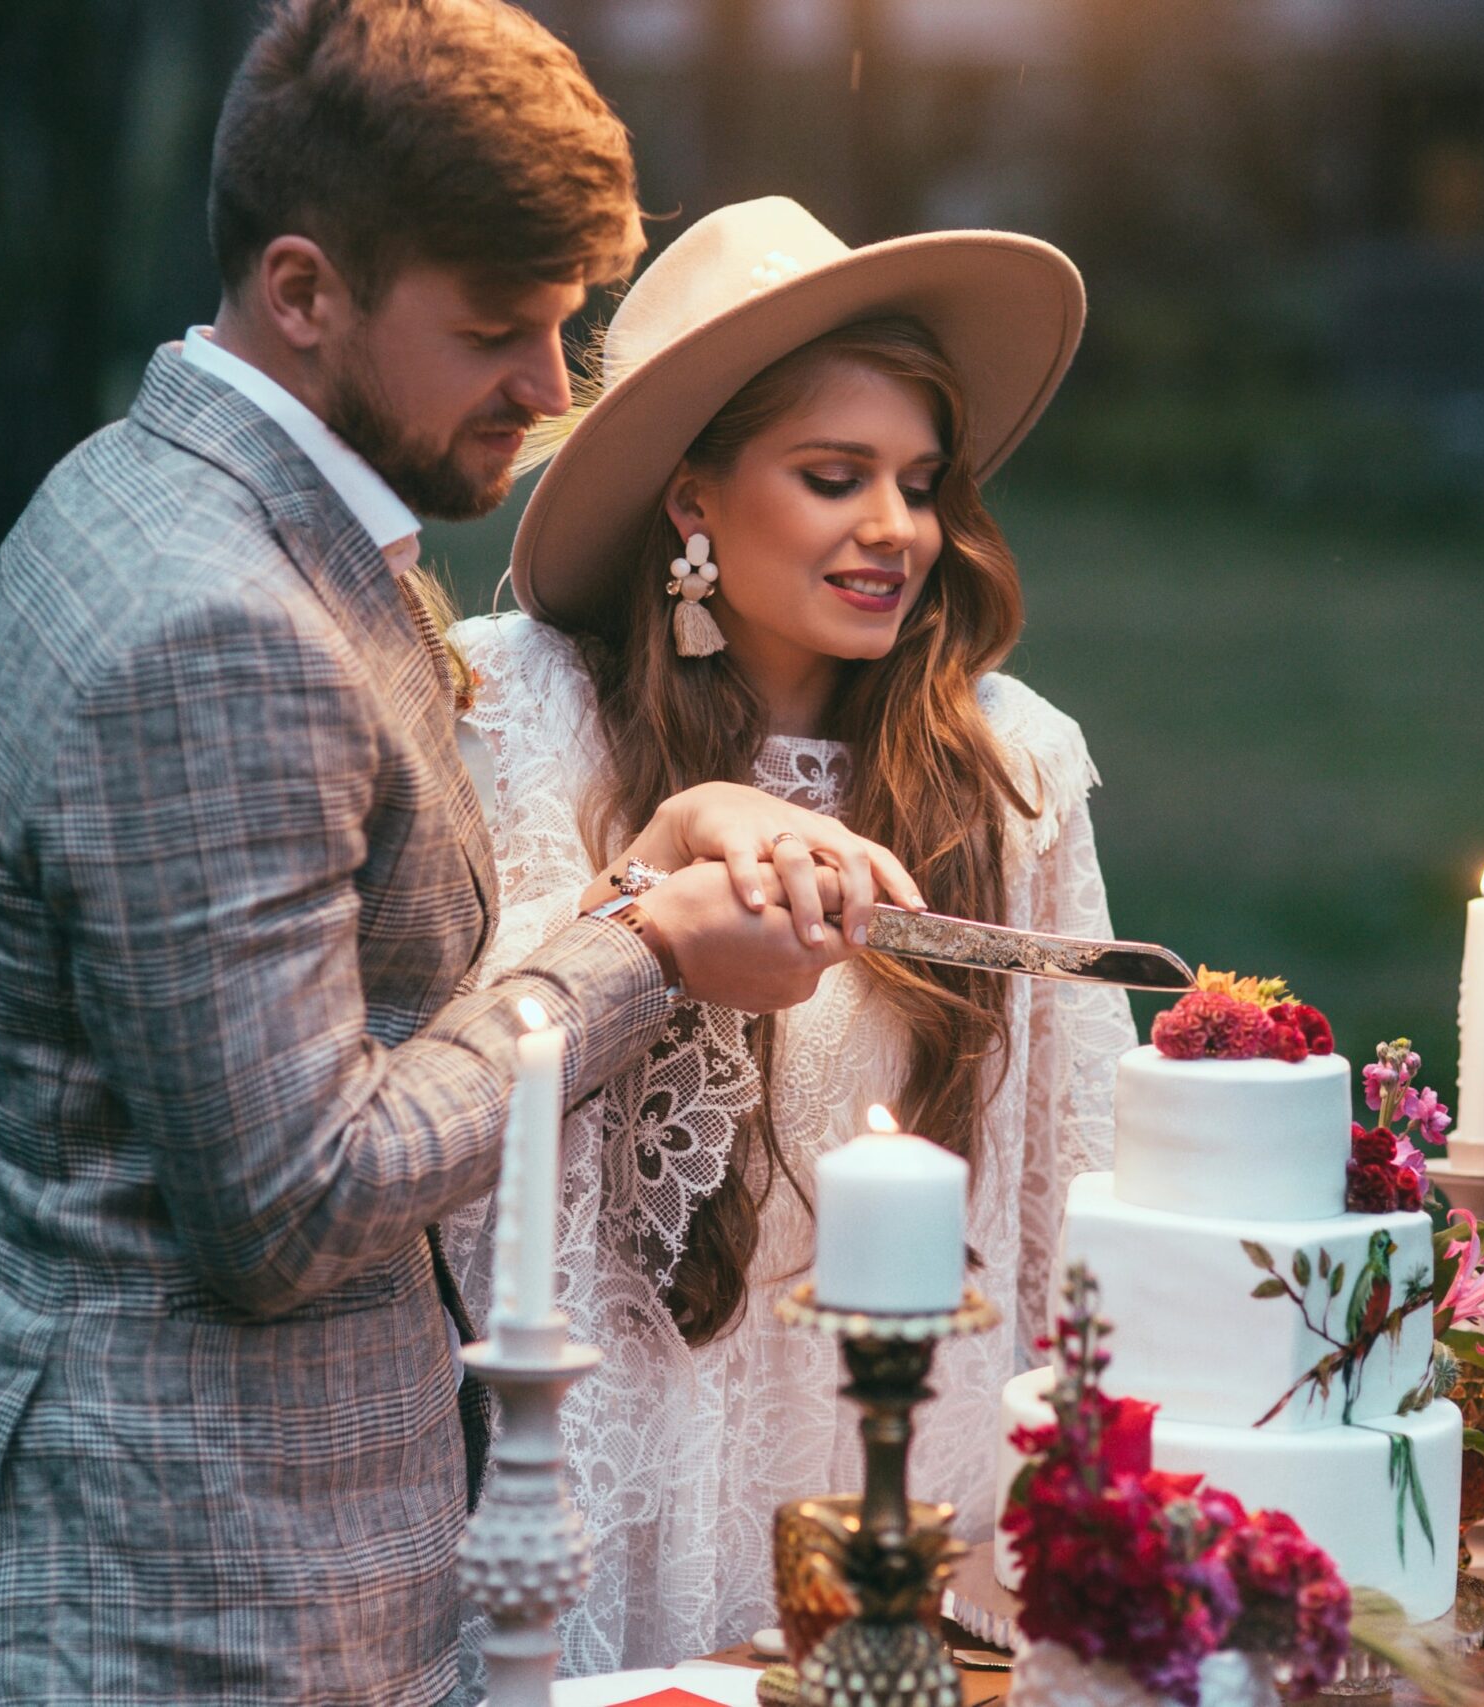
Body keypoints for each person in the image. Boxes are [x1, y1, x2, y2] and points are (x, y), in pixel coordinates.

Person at [0, 12, 916, 1705]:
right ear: (304, 289)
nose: (551, 392)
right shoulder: (215, 626)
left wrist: (657, 848)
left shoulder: (172, 496)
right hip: (176, 1601)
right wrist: (649, 944)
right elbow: (288, 1204)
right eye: (496, 331)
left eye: (565, 326)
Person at [449, 196, 1138, 1672]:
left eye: (922, 482)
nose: (898, 530)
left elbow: (1071, 1179)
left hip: (898, 1460)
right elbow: (444, 1073)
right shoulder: (516, 717)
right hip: (604, 1445)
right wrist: (647, 885)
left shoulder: (1009, 769)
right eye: (835, 478)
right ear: (693, 498)